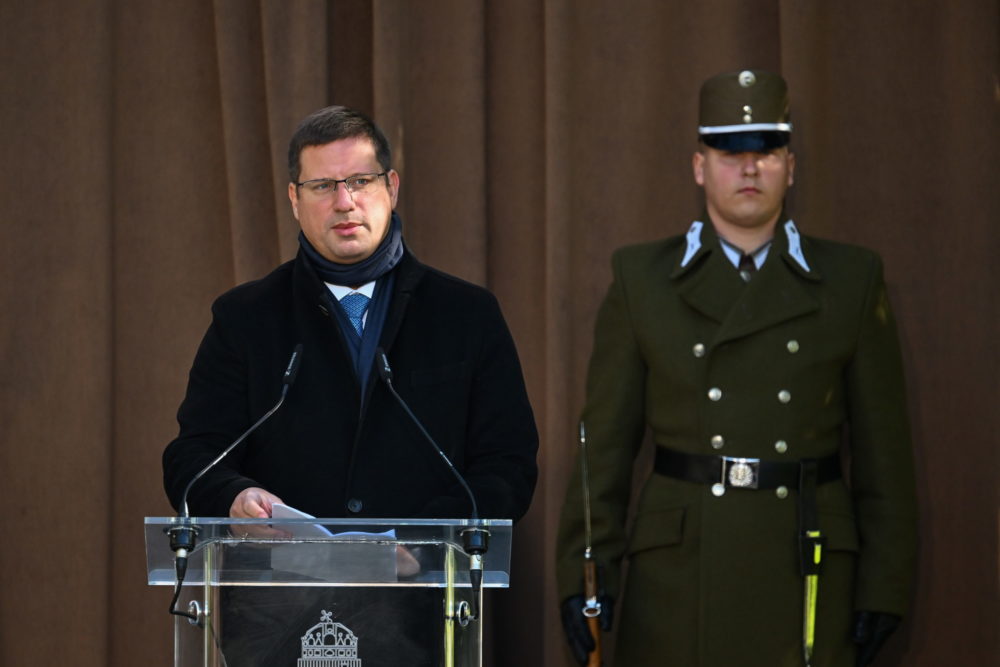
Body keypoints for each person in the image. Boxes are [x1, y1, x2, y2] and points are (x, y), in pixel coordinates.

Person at [555, 70, 917, 667]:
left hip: (804, 564)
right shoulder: (642, 280)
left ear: (790, 168)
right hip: (681, 575)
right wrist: (584, 573)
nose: (749, 168)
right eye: (730, 152)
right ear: (700, 167)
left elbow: (886, 460)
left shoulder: (851, 280)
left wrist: (885, 585)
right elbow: (605, 451)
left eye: (766, 151)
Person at [162, 106, 539, 664]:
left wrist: (420, 544)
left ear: (391, 187)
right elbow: (192, 457)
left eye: (360, 181)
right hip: (276, 620)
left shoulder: (466, 315)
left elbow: (508, 465)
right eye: (323, 186)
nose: (345, 202)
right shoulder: (245, 317)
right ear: (294, 199)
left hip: (422, 615)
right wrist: (234, 498)